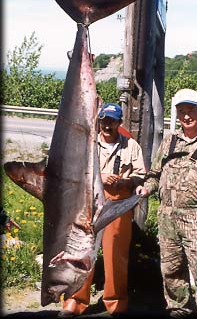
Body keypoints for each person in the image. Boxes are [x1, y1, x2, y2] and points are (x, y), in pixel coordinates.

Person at [136, 88, 197, 318]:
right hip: (167, 218)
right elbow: (155, 174)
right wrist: (146, 187)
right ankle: (179, 311)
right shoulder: (169, 141)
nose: (186, 116)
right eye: (181, 111)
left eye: (191, 110)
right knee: (171, 272)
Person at [59, 103, 146, 318]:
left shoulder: (131, 146)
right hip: (88, 203)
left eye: (113, 121)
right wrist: (100, 177)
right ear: (99, 121)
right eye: (104, 120)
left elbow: (141, 174)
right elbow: (74, 169)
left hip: (118, 204)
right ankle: (74, 300)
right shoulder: (87, 143)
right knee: (82, 253)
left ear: (119, 123)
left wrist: (125, 181)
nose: (108, 125)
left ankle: (116, 302)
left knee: (117, 255)